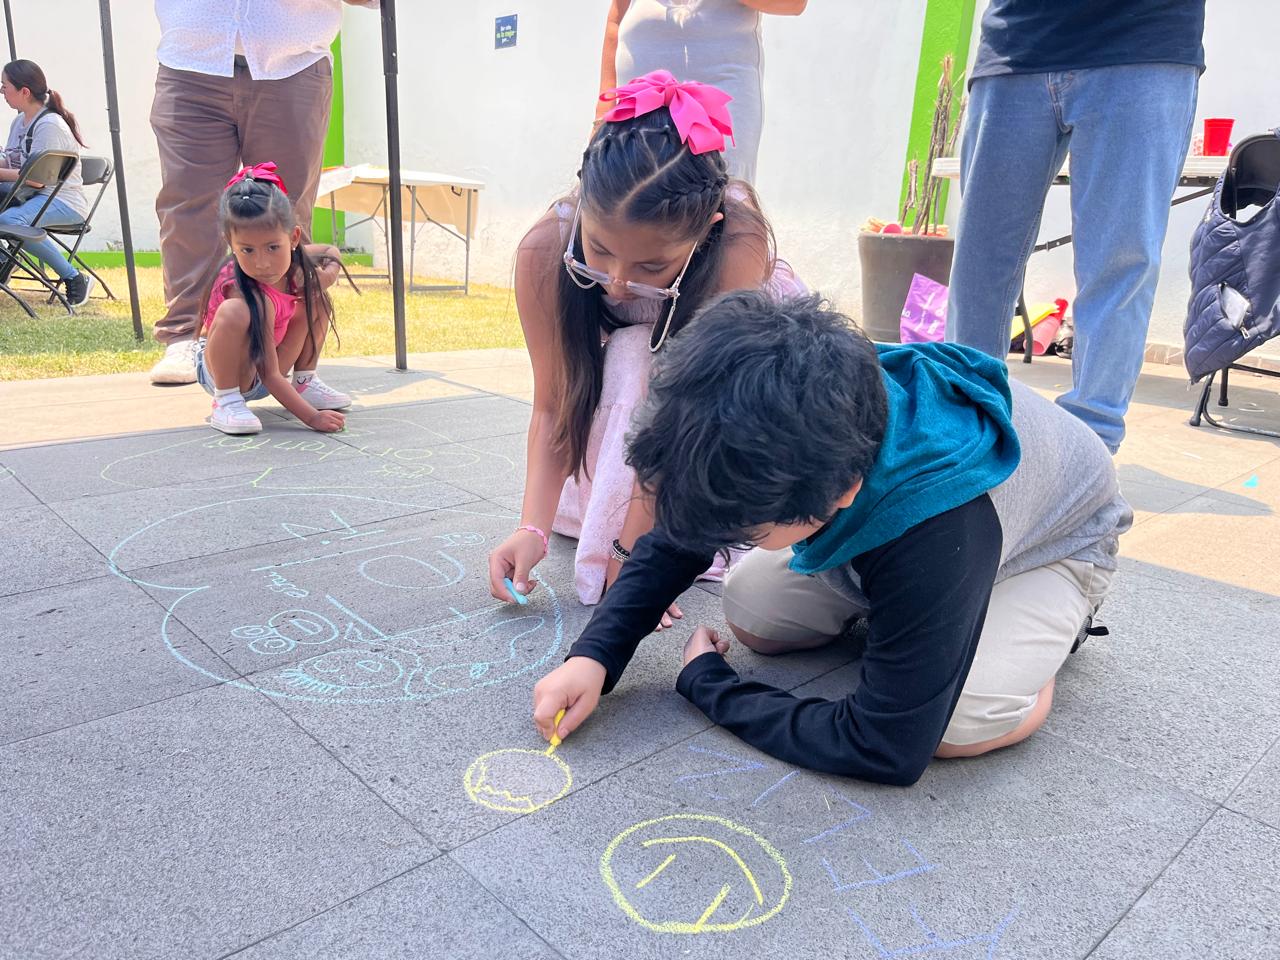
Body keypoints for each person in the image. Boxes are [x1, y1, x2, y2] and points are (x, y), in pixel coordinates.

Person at [530, 292, 1132, 785]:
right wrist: (595, 656)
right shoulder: (799, 411)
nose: (723, 539)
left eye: (748, 531)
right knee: (754, 613)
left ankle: (1040, 650)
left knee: (953, 727)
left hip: (1053, 548)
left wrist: (708, 684)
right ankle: (923, 620)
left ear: (840, 491)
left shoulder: (940, 524)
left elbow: (885, 748)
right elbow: (689, 524)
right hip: (909, 534)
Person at [486, 70, 805, 610]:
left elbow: (689, 413)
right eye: (599, 250)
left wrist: (636, 555)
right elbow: (553, 403)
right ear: (582, 207)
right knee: (634, 356)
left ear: (707, 231)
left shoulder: (736, 247)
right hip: (641, 418)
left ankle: (672, 531)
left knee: (639, 355)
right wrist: (532, 529)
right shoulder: (544, 249)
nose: (615, 282)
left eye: (652, 266)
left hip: (729, 415)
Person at [947, 0, 1206, 453]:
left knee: (1119, 264)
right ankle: (964, 432)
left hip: (1144, 38)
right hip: (1016, 41)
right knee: (979, 264)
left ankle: (1088, 452)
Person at [148, 0, 379, 385]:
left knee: (284, 213)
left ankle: (287, 342)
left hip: (293, 64)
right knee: (187, 206)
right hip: (190, 62)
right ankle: (185, 335)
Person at [195, 163, 350, 436]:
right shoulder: (243, 290)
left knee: (317, 297)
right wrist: (312, 417)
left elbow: (330, 251)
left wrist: (325, 277)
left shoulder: (295, 259)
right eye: (247, 250)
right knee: (234, 311)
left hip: (266, 372)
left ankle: (304, 381)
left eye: (272, 247)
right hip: (228, 373)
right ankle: (226, 401)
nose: (262, 263)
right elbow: (270, 374)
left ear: (294, 238)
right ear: (231, 243)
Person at [598, 0, 808, 183]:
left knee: (723, 194)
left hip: (722, 90)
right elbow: (616, 20)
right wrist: (602, 114)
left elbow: (794, 3)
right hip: (640, 92)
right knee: (634, 196)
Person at [0, 60, 95, 307]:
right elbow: (12, 162)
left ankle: (75, 278)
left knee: (9, 221)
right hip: (31, 196)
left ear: (24, 91)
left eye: (4, 86)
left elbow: (37, 180)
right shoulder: (19, 122)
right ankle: (4, 260)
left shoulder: (49, 126)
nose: (1, 92)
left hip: (62, 202)